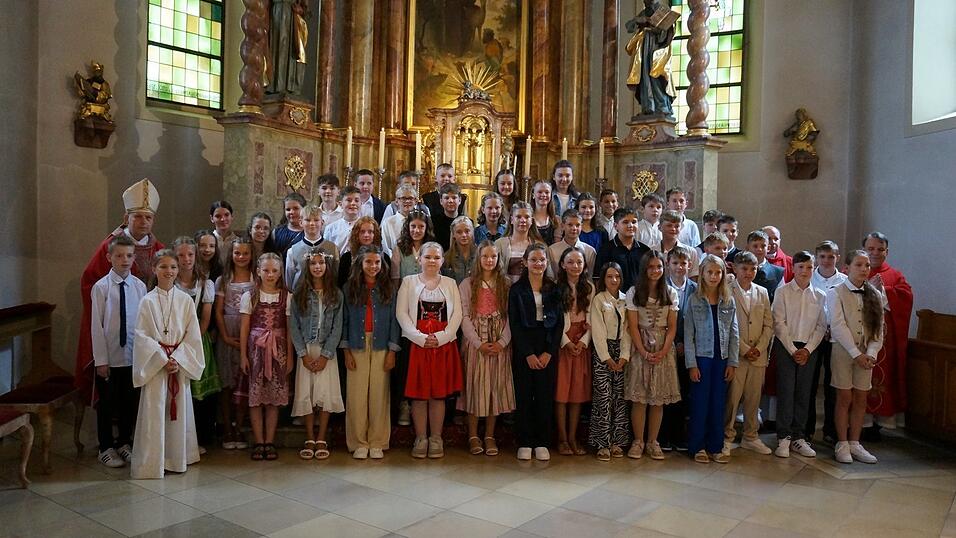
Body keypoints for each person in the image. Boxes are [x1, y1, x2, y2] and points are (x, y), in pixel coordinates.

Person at [76, 179, 164, 404]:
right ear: (126, 218)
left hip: (146, 328)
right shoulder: (111, 247)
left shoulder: (160, 250)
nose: (143, 222)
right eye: (138, 216)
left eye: (148, 217)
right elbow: (89, 282)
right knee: (111, 396)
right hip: (114, 330)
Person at [131, 250, 204, 479]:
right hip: (156, 366)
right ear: (154, 269)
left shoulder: (185, 300)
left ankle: (176, 458)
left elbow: (193, 335)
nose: (169, 271)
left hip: (177, 364)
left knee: (178, 413)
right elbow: (141, 336)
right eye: (163, 267)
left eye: (173, 267)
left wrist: (178, 358)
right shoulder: (147, 301)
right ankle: (154, 462)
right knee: (155, 411)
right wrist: (162, 359)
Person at [396, 242, 464, 459]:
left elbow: (457, 315)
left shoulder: (450, 283)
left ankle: (436, 437)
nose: (432, 261)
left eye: (436, 257)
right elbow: (401, 313)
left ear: (442, 260)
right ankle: (421, 437)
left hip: (443, 345)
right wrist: (420, 338)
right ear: (420, 259)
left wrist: (442, 337)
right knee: (419, 395)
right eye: (428, 257)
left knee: (438, 395)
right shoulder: (408, 282)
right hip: (418, 345)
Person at [90, 235, 147, 468]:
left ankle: (124, 442)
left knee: (128, 402)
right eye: (119, 255)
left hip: (132, 356)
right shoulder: (101, 287)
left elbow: (143, 324)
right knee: (106, 403)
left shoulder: (139, 287)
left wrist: (143, 356)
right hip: (110, 357)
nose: (125, 260)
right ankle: (105, 446)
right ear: (109, 257)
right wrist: (101, 360)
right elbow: (96, 326)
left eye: (129, 256)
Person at [342, 246, 400, 459]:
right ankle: (358, 442)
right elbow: (345, 321)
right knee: (356, 395)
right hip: (356, 344)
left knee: (379, 394)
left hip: (381, 344)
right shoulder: (349, 288)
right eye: (368, 262)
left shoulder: (389, 288)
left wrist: (393, 350)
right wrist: (346, 351)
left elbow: (394, 321)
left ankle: (377, 441)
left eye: (377, 262)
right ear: (360, 263)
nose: (373, 266)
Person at [458, 241, 515, 456]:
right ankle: (473, 435)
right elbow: (464, 316)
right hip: (476, 341)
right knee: (475, 386)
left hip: (499, 340)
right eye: (485, 256)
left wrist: (502, 342)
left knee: (494, 388)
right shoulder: (468, 283)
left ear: (499, 259)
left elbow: (511, 316)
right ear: (478, 258)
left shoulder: (505, 284)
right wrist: (478, 342)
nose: (489, 260)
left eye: (493, 256)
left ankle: (489, 435)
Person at [828, 249, 884, 464]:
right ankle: (842, 443)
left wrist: (871, 353)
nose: (864, 269)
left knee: (861, 398)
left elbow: (878, 329)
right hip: (844, 350)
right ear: (847, 268)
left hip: (866, 354)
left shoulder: (875, 294)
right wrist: (855, 353)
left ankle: (855, 442)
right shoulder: (836, 292)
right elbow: (838, 325)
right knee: (844, 397)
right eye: (858, 265)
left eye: (867, 265)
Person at [509, 243, 563, 461]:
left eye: (542, 260)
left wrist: (549, 352)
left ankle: (542, 441)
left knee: (544, 395)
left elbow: (559, 323)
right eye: (533, 260)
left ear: (547, 262)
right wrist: (528, 353)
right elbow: (514, 324)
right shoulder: (517, 289)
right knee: (524, 394)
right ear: (525, 262)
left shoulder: (553, 288)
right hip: (525, 346)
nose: (538, 264)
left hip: (547, 344)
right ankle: (524, 441)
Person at [771, 251, 827, 459]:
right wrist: (794, 350)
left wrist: (808, 349)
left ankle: (798, 436)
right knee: (786, 390)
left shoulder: (819, 295)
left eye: (809, 267)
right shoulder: (783, 292)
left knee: (804, 392)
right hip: (787, 346)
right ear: (793, 268)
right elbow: (779, 322)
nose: (805, 271)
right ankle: (783, 436)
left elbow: (821, 326)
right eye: (801, 267)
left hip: (809, 349)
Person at [625, 251, 680, 460]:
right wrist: (643, 351)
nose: (655, 271)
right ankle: (638, 441)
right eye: (651, 267)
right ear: (644, 269)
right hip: (641, 347)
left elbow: (672, 327)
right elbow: (633, 326)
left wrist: (663, 351)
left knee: (657, 400)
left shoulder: (670, 292)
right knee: (640, 399)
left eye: (659, 267)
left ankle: (652, 441)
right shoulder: (633, 292)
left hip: (663, 347)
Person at [290, 248, 344, 460]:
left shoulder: (335, 294)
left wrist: (325, 354)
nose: (317, 267)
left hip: (326, 351)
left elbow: (337, 327)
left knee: (325, 393)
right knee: (307, 393)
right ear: (307, 266)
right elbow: (294, 326)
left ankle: (321, 437)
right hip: (306, 349)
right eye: (313, 263)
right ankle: (310, 436)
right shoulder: (299, 294)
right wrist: (302, 354)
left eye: (321, 263)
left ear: (327, 266)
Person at [239, 253, 294, 461]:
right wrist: (243, 355)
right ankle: (258, 441)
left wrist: (290, 357)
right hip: (256, 351)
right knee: (256, 398)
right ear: (258, 272)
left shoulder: (287, 297)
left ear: (280, 273)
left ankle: (269, 441)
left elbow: (289, 330)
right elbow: (245, 328)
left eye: (274, 271)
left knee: (272, 399)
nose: (270, 274)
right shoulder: (250, 296)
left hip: (278, 352)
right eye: (266, 270)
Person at [685, 254, 738, 464]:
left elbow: (734, 333)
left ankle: (715, 446)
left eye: (718, 273)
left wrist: (732, 362)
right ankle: (697, 446)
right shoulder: (694, 299)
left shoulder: (728, 300)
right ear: (702, 273)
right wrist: (691, 364)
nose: (714, 276)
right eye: (710, 272)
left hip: (721, 358)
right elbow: (689, 334)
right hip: (702, 358)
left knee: (718, 403)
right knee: (700, 403)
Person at [172, 237, 220, 453]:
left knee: (200, 393)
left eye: (190, 254)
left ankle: (200, 437)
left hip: (198, 341)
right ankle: (178, 438)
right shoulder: (170, 283)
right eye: (181, 255)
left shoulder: (205, 284)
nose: (186, 259)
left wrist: (191, 341)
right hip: (174, 342)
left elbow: (205, 319)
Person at [723, 251, 773, 456]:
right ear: (735, 268)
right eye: (744, 268)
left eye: (753, 269)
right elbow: (726, 324)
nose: (749, 273)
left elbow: (768, 324)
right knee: (733, 398)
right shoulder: (727, 290)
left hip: (758, 355)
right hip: (737, 354)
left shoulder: (762, 292)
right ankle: (727, 436)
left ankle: (751, 436)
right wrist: (744, 348)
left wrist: (759, 348)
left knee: (754, 398)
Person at [862, 232, 912, 436]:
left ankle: (878, 423)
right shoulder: (854, 270)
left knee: (883, 378)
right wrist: (871, 290)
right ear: (864, 250)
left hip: (886, 342)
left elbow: (906, 297)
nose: (875, 253)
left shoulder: (895, 275)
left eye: (880, 249)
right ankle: (861, 423)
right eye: (870, 249)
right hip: (860, 339)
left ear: (887, 252)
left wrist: (884, 291)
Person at [214, 236, 255, 450]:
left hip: (249, 331)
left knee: (243, 382)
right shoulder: (223, 280)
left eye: (245, 253)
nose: (241, 257)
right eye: (237, 253)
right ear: (231, 254)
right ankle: (227, 428)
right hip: (228, 331)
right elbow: (218, 311)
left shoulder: (256, 278)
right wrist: (226, 337)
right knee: (227, 382)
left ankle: (239, 427)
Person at [589, 263, 632, 461]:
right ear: (603, 279)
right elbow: (597, 330)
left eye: (617, 276)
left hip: (621, 351)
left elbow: (628, 329)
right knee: (603, 397)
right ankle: (602, 442)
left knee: (619, 398)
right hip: (603, 352)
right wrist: (606, 357)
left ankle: (617, 441)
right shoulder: (599, 299)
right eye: (609, 276)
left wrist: (624, 356)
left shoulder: (626, 299)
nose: (614, 280)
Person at [554, 248, 594, 456]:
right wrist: (566, 341)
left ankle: (572, 436)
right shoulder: (555, 288)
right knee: (562, 392)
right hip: (563, 341)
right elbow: (555, 319)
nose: (575, 266)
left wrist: (584, 341)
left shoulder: (589, 287)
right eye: (570, 262)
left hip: (582, 341)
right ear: (563, 265)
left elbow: (592, 318)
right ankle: (561, 438)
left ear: (584, 265)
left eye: (579, 262)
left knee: (577, 392)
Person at [807, 240, 847, 443]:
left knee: (833, 384)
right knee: (810, 383)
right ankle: (806, 429)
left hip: (836, 338)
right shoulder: (808, 277)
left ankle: (831, 430)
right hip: (813, 336)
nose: (826, 261)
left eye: (831, 257)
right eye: (822, 256)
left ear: (837, 258)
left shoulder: (844, 281)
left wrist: (833, 328)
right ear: (816, 258)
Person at [659, 246, 697, 452]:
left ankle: (679, 435)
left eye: (683, 263)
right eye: (675, 263)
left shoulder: (696, 289)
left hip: (688, 349)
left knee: (684, 392)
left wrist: (685, 343)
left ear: (689, 265)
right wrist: (674, 342)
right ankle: (663, 435)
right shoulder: (661, 287)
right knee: (666, 391)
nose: (679, 267)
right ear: (668, 264)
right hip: (666, 345)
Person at [624, 0, 676, 117]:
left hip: (657, 49)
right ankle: (648, 107)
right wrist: (638, 20)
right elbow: (629, 27)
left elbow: (669, 31)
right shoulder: (644, 12)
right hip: (644, 48)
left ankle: (662, 106)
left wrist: (659, 29)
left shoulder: (662, 11)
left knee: (657, 76)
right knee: (645, 77)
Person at [595, 207, 652, 293]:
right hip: (614, 298)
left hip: (639, 297)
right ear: (615, 226)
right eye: (625, 222)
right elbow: (598, 279)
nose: (630, 225)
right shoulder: (606, 250)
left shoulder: (645, 250)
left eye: (634, 222)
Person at [285, 205, 340, 290]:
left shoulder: (333, 249)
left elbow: (335, 275)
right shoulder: (292, 251)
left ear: (322, 222)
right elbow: (289, 280)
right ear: (301, 222)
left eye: (316, 220)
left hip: (327, 295)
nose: (312, 223)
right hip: (301, 295)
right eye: (307, 220)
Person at [495, 201, 544, 283]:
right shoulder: (499, 244)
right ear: (511, 220)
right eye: (518, 217)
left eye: (527, 217)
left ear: (532, 221)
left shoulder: (539, 245)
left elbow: (548, 274)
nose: (523, 220)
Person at [336, 216, 390, 288]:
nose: (366, 235)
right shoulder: (346, 258)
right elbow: (341, 284)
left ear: (375, 234)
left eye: (370, 232)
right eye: (362, 232)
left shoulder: (384, 258)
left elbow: (387, 284)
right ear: (356, 234)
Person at [547, 209, 596, 279]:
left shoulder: (589, 251)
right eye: (570, 225)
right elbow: (551, 276)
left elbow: (589, 276)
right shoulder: (552, 250)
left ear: (581, 226)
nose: (574, 228)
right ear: (562, 226)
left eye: (577, 225)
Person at [657, 210, 700, 280]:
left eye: (677, 226)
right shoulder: (653, 250)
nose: (673, 229)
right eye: (669, 225)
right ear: (659, 227)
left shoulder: (691, 252)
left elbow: (694, 279)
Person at [747, 230, 785, 304]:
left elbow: (780, 300)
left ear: (768, 248)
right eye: (755, 246)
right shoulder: (740, 269)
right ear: (748, 248)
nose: (759, 249)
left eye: (763, 246)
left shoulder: (778, 272)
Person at [382, 183, 421, 254]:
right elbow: (385, 247)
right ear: (396, 201)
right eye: (403, 198)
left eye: (410, 198)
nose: (407, 201)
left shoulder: (421, 221)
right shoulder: (388, 223)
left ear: (415, 201)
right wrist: (396, 258)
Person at [323, 186, 363, 253]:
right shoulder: (331, 229)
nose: (353, 203)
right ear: (340, 204)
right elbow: (326, 252)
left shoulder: (366, 227)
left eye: (356, 200)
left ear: (361, 204)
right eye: (349, 200)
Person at [443, 216, 477, 284]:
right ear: (453, 234)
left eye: (467, 231)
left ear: (472, 232)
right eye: (459, 232)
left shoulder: (480, 255)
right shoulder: (446, 258)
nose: (464, 235)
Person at [272, 192, 307, 257]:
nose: (291, 212)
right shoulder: (276, 232)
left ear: (304, 209)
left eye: (296, 208)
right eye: (288, 209)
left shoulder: (310, 233)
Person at [431, 183, 464, 251]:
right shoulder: (433, 222)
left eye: (454, 198)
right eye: (446, 198)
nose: (450, 201)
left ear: (460, 200)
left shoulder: (466, 222)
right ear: (441, 201)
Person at [532, 180, 561, 245]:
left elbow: (557, 245)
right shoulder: (527, 218)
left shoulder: (556, 220)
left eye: (547, 192)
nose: (543, 195)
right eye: (540, 192)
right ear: (533, 195)